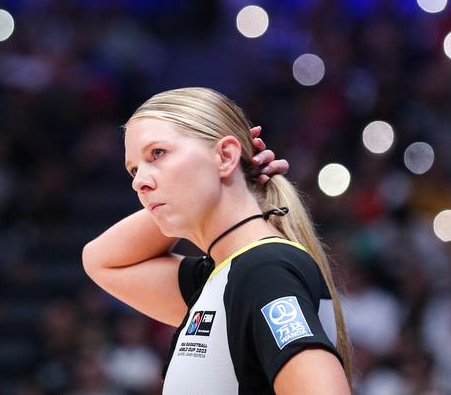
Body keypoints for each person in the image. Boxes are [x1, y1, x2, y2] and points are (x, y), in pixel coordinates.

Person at [82, 87, 354, 394]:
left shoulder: (263, 272)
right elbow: (100, 260)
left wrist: (236, 177)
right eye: (133, 169)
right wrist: (239, 178)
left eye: (157, 154)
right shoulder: (225, 276)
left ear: (225, 155)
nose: (138, 182)